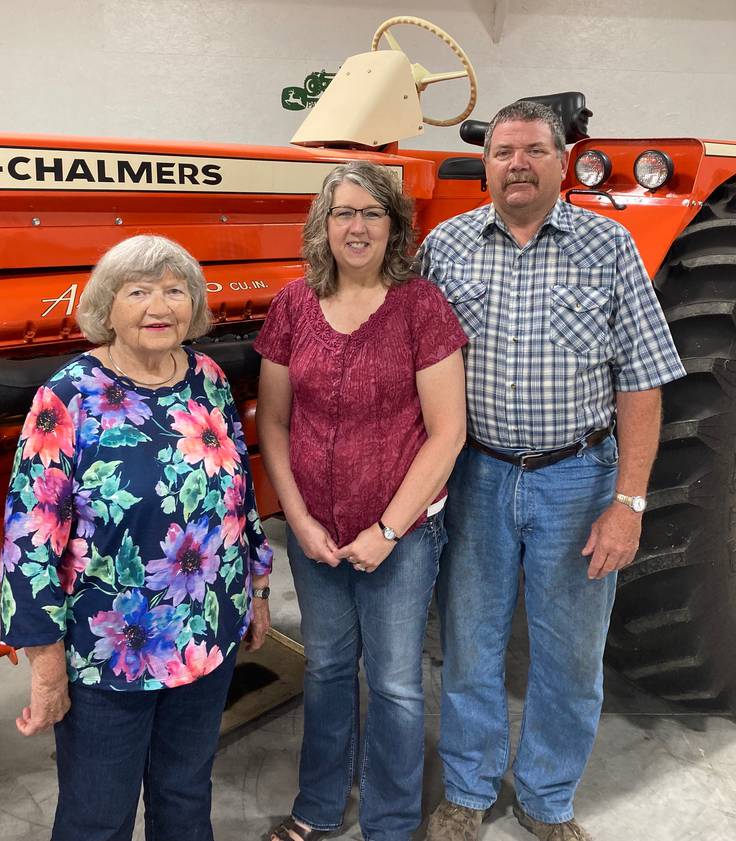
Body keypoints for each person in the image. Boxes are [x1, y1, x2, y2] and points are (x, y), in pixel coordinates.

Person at [419, 101, 686, 841]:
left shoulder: (610, 247)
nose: (517, 164)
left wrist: (629, 501)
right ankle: (469, 789)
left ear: (561, 163)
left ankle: (546, 797)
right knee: (469, 643)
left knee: (569, 652)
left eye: (535, 150)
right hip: (474, 475)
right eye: (504, 151)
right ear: (488, 163)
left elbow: (642, 379)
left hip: (578, 477)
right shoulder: (446, 247)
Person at [0, 234, 273, 841]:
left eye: (175, 290)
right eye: (139, 291)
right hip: (110, 651)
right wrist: (46, 667)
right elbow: (30, 537)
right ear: (108, 306)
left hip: (206, 635)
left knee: (184, 796)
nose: (160, 306)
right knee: (98, 816)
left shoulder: (207, 378)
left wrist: (256, 588)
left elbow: (238, 494)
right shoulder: (69, 395)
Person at [255, 161, 467, 841]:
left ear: (394, 227)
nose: (357, 226)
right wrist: (300, 519)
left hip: (401, 537)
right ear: (323, 225)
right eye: (344, 212)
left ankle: (391, 821)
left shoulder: (421, 306)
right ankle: (319, 805)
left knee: (398, 682)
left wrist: (387, 529)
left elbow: (447, 432)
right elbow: (275, 423)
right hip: (316, 534)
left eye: (372, 213)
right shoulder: (292, 305)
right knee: (326, 669)